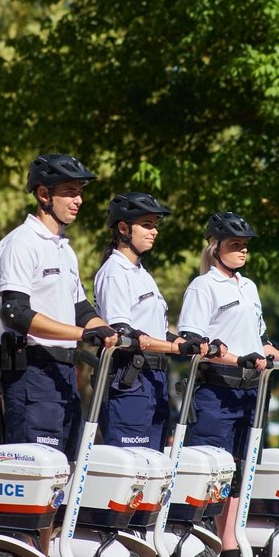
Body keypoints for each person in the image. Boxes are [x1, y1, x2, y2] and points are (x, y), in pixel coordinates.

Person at [177, 210, 279, 557]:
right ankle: (201, 546)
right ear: (216, 247)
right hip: (216, 392)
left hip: (251, 393)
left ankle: (230, 542)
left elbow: (260, 341)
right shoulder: (203, 287)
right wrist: (237, 359)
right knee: (211, 471)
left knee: (240, 470)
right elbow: (194, 343)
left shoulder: (248, 287)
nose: (243, 251)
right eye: (236, 245)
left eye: (246, 246)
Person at [0, 153, 118, 461]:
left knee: (65, 473)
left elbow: (81, 309)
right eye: (70, 191)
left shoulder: (64, 249)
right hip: (31, 375)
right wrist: (80, 334)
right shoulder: (21, 243)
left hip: (64, 372)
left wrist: (106, 331)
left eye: (80, 192)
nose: (79, 200)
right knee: (36, 474)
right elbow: (15, 313)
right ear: (44, 194)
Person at [94, 192, 206, 450]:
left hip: (154, 379)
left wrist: (186, 342)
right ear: (123, 228)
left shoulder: (141, 273)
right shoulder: (114, 272)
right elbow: (123, 334)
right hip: (128, 381)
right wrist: (176, 348)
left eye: (155, 225)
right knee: (131, 470)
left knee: (152, 469)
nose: (154, 231)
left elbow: (156, 331)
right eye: (147, 224)